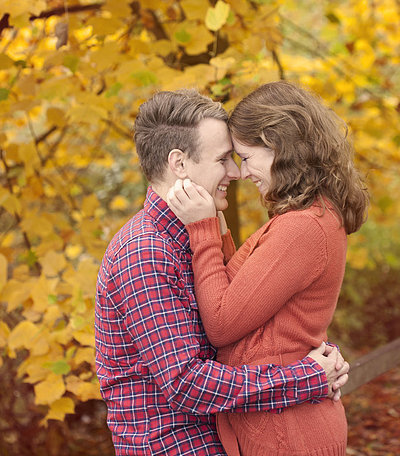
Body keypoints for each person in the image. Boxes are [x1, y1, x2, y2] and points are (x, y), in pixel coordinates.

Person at [95, 88, 350, 456]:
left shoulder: (196, 235)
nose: (236, 172)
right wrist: (307, 376)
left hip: (228, 438)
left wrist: (320, 355)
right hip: (178, 447)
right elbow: (186, 384)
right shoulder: (146, 251)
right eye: (223, 159)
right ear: (179, 164)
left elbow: (259, 325)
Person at [167, 82, 369, 456]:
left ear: (279, 146)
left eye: (245, 157)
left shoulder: (303, 226)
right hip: (281, 422)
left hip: (288, 433)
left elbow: (223, 322)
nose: (242, 172)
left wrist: (202, 229)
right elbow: (253, 297)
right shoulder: (306, 217)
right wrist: (218, 227)